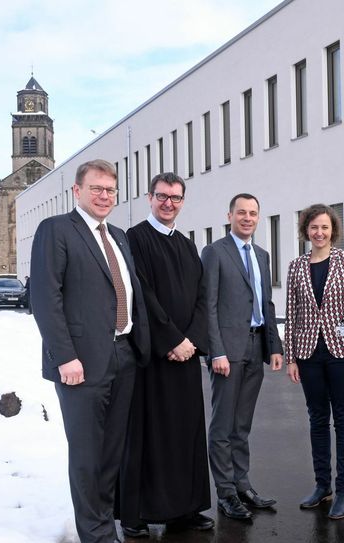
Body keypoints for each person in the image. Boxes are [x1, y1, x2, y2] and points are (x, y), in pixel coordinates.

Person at [29, 159, 149, 543]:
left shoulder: (118, 235)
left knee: (111, 451)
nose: (104, 196)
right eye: (96, 188)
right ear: (77, 191)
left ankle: (102, 521)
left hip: (123, 354)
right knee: (87, 454)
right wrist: (65, 357)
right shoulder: (56, 230)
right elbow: (45, 297)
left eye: (110, 190)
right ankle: (96, 534)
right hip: (80, 362)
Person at [117, 172, 213, 537]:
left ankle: (182, 510)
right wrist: (172, 339)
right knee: (148, 436)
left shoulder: (187, 245)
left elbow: (203, 297)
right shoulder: (135, 240)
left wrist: (192, 340)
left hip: (186, 358)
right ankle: (137, 514)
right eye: (162, 196)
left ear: (183, 201)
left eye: (175, 197)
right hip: (153, 358)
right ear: (149, 197)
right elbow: (142, 295)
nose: (168, 203)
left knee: (185, 435)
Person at [201, 193, 284, 521]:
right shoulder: (214, 252)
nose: (247, 218)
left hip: (255, 347)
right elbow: (207, 304)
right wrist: (216, 350)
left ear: (258, 217)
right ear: (230, 215)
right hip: (228, 351)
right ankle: (225, 493)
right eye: (241, 213)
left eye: (252, 213)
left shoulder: (262, 255)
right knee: (223, 424)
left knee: (242, 423)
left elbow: (267, 303)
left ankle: (242, 484)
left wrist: (274, 346)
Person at [283, 204, 344, 520]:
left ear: (333, 231)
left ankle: (343, 490)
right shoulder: (296, 266)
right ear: (306, 231)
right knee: (317, 418)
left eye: (325, 227)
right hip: (308, 353)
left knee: (343, 418)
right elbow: (292, 313)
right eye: (314, 227)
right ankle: (322, 485)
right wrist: (291, 356)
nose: (319, 233)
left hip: (343, 352)